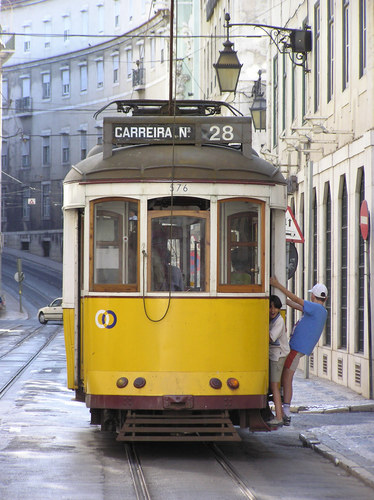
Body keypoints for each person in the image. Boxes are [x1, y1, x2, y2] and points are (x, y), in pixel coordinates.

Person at [269, 276, 328, 425]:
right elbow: (296, 305)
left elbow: (295, 299)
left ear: (313, 296)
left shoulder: (315, 308)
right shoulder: (321, 310)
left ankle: (286, 410)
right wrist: (283, 301)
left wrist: (278, 285)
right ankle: (285, 407)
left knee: (287, 377)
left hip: (297, 347)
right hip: (299, 347)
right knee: (287, 376)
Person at [268, 294, 290, 427]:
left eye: (275, 308)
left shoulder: (279, 321)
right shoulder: (274, 320)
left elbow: (270, 338)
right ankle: (279, 414)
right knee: (274, 386)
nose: (272, 310)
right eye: (270, 307)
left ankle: (279, 417)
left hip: (278, 356)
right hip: (274, 355)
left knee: (275, 387)